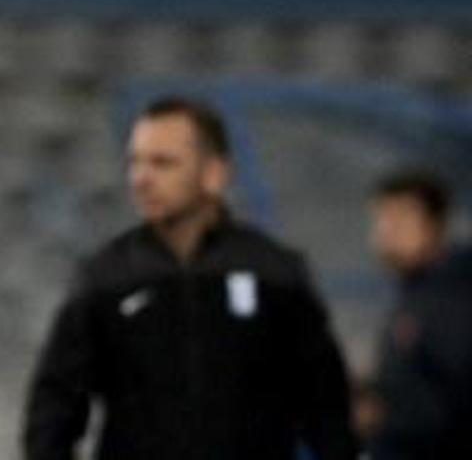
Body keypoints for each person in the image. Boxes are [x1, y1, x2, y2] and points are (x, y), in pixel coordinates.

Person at [22, 96, 357, 460]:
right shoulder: (105, 278)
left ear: (214, 174)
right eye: (135, 162)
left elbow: (327, 411)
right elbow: (53, 411)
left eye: (162, 163)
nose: (141, 178)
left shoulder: (275, 273)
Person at [361, 170, 472, 459]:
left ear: (435, 225)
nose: (386, 231)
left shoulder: (454, 295)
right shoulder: (415, 293)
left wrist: (382, 415)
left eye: (400, 219)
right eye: (382, 219)